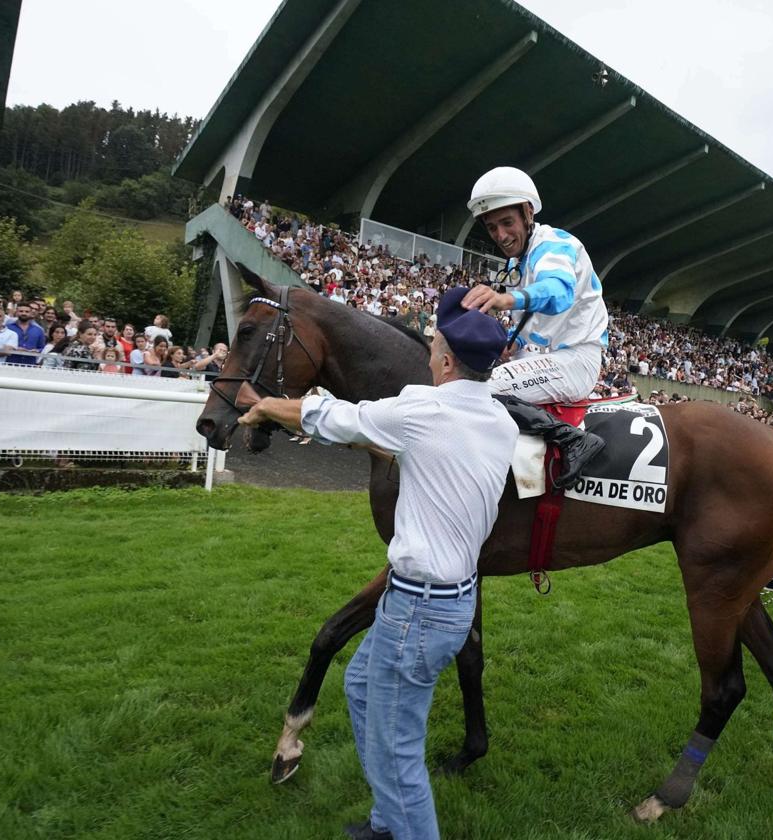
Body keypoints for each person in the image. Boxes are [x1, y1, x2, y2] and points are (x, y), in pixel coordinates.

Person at [236, 287, 516, 840]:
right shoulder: (497, 420)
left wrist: (266, 404)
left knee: (399, 756)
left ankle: (402, 824)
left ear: (444, 359)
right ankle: (388, 821)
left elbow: (332, 414)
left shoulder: (422, 408)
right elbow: (421, 450)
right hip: (446, 604)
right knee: (361, 685)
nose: (430, 353)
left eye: (434, 344)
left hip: (417, 609)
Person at [459, 166, 607, 488]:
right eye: (492, 227)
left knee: (483, 390)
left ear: (528, 213)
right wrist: (513, 344)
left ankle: (573, 440)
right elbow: (531, 324)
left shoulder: (554, 244)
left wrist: (505, 299)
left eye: (507, 223)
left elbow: (558, 291)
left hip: (575, 361)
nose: (500, 235)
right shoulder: (517, 263)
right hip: (542, 359)